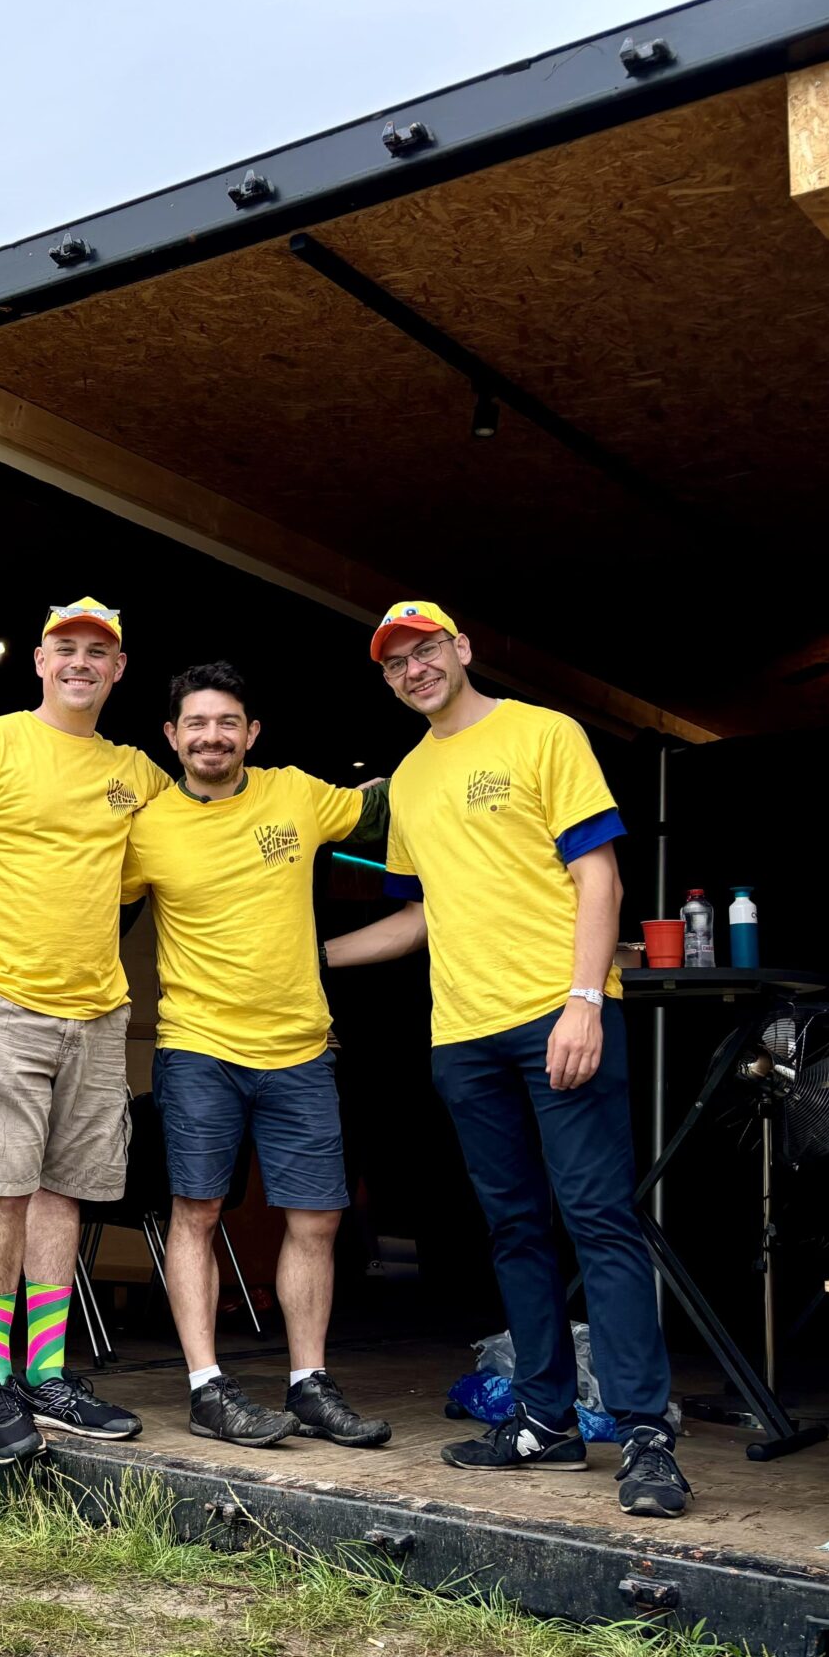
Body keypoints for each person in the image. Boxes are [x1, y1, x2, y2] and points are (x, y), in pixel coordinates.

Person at [324, 601, 689, 1520]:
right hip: (464, 1034)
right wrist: (313, 957)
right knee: (514, 1229)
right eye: (396, 662)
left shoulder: (542, 733)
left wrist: (583, 1001)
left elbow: (597, 876)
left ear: (463, 649)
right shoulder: (406, 780)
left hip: (554, 1017)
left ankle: (646, 1433)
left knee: (598, 1218)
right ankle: (545, 1420)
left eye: (428, 649)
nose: (415, 669)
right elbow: (419, 917)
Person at [0, 598, 167, 1463]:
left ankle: (47, 1373)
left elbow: (203, 830)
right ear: (38, 660)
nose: (81, 663)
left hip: (98, 1013)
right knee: (1, 1187)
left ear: (120, 670)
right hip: (3, 1005)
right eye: (66, 648)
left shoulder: (136, 771)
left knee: (65, 1190)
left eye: (98, 652)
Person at [122, 662, 394, 1450]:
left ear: (252, 733)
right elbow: (76, 885)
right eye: (196, 724)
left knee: (316, 1218)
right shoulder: (147, 827)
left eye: (227, 722)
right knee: (197, 1213)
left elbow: (391, 805)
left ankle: (309, 1383)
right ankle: (207, 1386)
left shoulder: (298, 794)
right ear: (172, 737)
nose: (213, 736)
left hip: (302, 1050)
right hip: (198, 1047)